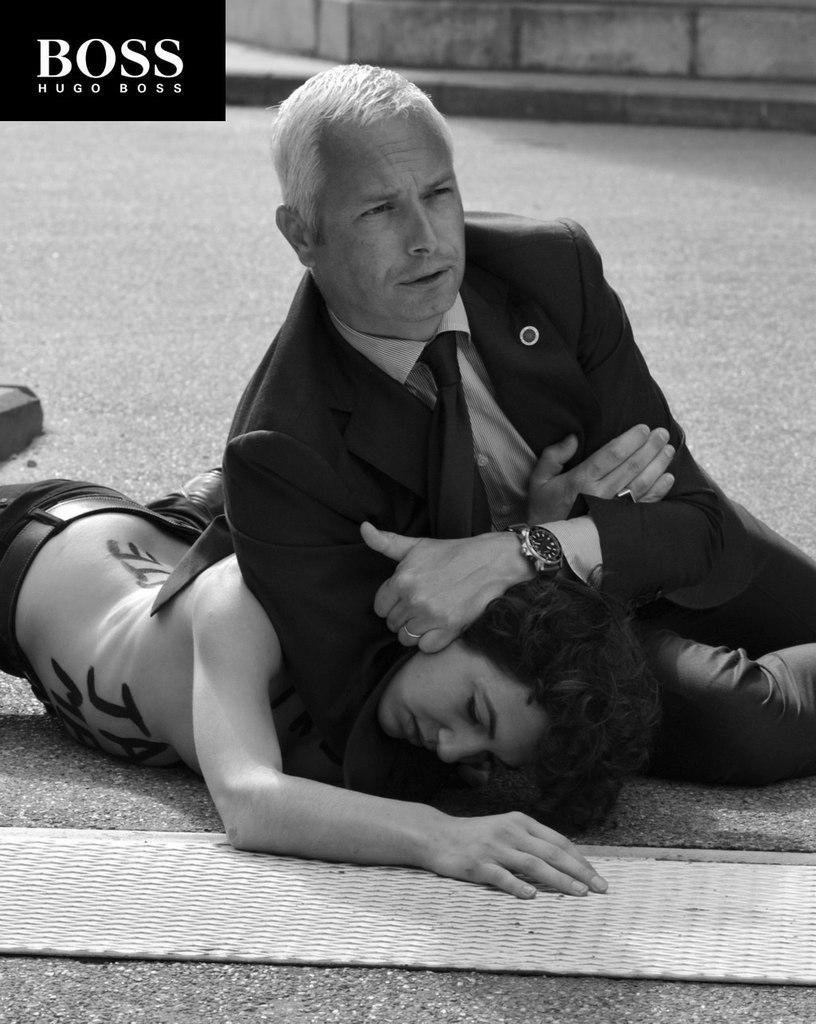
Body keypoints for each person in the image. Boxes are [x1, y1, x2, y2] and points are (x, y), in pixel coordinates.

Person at [151, 62, 816, 798]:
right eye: (380, 210)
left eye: (439, 193)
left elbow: (700, 528)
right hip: (534, 657)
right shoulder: (283, 450)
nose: (426, 239)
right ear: (302, 233)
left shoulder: (550, 269)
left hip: (624, 545)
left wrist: (530, 547)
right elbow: (373, 722)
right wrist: (543, 556)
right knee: (747, 722)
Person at [0, 473, 658, 900]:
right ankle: (208, 496)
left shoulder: (412, 710)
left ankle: (200, 503)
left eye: (489, 755)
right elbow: (250, 802)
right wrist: (439, 835)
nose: (454, 750)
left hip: (151, 552)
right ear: (456, 619)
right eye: (473, 712)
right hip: (25, 543)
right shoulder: (250, 605)